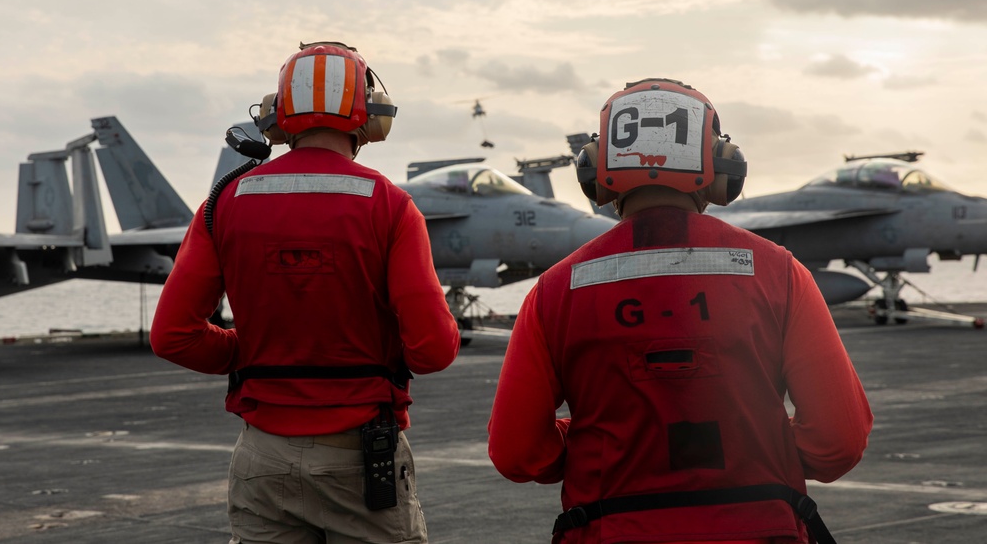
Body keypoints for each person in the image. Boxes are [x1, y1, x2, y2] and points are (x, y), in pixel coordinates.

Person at [487, 78, 872, 544]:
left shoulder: (555, 290)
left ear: (596, 170)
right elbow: (838, 442)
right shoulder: (780, 273)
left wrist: (591, 440)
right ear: (721, 167)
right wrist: (758, 447)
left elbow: (517, 453)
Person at [151, 41, 461, 544]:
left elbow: (172, 337)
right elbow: (432, 351)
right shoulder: (391, 205)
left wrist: (248, 349)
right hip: (363, 459)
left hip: (262, 459)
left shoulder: (226, 200)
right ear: (370, 117)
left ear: (276, 117)